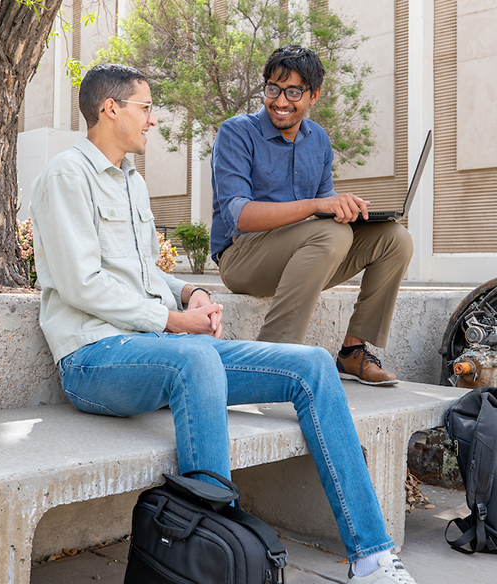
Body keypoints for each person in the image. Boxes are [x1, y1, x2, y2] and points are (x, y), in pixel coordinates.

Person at [30, 63, 418, 584]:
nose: (151, 121)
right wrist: (175, 320)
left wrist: (190, 292)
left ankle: (371, 556)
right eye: (145, 108)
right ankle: (212, 561)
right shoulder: (66, 175)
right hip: (94, 358)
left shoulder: (131, 182)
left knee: (311, 366)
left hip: (157, 352)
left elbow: (146, 273)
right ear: (110, 109)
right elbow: (81, 285)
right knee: (194, 358)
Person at [210, 45, 413, 386]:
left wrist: (346, 208)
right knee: (332, 234)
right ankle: (270, 358)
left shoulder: (318, 139)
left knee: (395, 239)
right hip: (243, 258)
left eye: (293, 91)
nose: (280, 101)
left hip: (303, 258)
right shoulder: (236, 132)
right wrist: (318, 206)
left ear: (313, 95)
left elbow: (324, 204)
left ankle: (352, 352)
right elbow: (240, 215)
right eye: (273, 89)